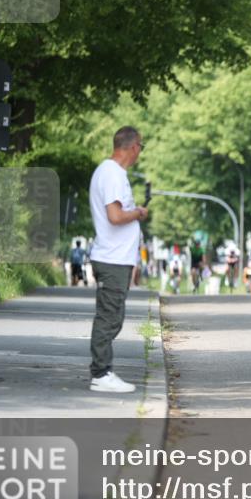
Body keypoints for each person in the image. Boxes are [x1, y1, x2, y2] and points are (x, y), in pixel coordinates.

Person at [87, 126, 148, 393]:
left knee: (114, 316)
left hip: (117, 258)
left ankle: (103, 371)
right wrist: (137, 213)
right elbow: (115, 216)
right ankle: (101, 374)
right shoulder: (112, 174)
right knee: (109, 317)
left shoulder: (111, 172)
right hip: (111, 259)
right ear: (133, 147)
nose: (139, 153)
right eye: (141, 147)